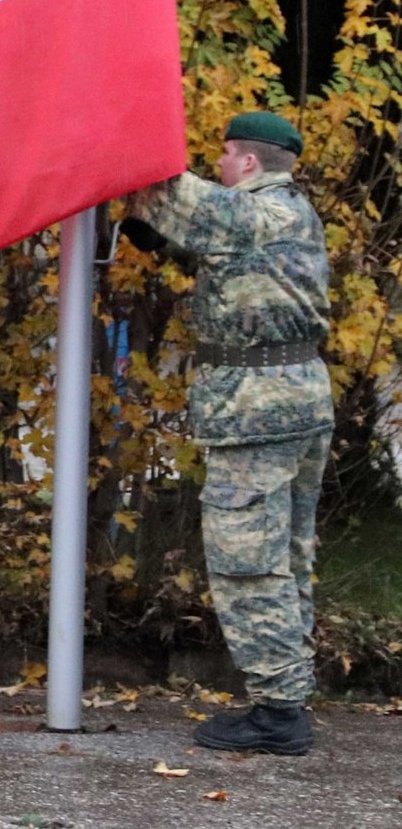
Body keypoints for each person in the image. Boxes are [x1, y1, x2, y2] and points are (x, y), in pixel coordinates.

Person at [126, 111, 334, 756]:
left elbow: (162, 183)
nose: (216, 167)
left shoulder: (260, 215)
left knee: (250, 563)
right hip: (289, 403)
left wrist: (119, 135)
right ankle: (287, 696)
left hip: (258, 412)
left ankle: (277, 713)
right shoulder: (286, 213)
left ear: (246, 162)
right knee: (286, 556)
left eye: (222, 158)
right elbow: (213, 239)